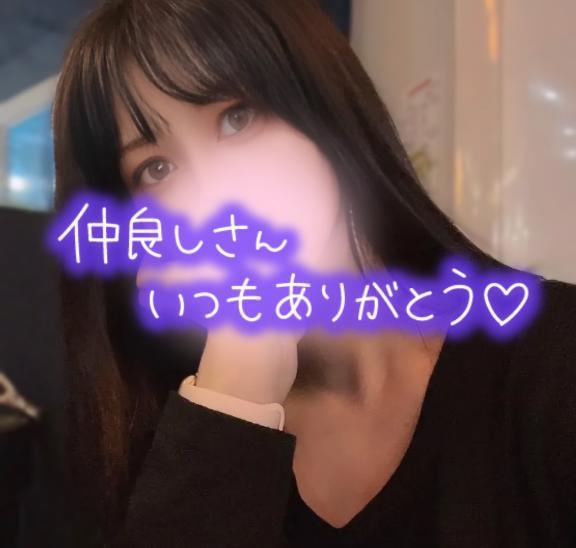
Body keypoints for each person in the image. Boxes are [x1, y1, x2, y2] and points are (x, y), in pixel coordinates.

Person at [50, 0, 576, 546]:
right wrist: (232, 404)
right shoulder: (157, 437)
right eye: (155, 169)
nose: (212, 190)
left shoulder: (550, 361)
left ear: (323, 107)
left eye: (236, 117)